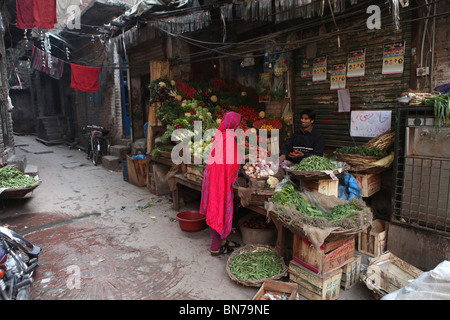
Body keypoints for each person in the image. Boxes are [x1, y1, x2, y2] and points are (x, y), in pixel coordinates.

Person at [200, 112, 242, 256]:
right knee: (217, 209)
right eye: (238, 123)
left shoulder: (220, 134)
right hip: (220, 180)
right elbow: (232, 164)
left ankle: (221, 240)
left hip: (212, 177)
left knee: (215, 207)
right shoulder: (229, 138)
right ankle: (215, 247)